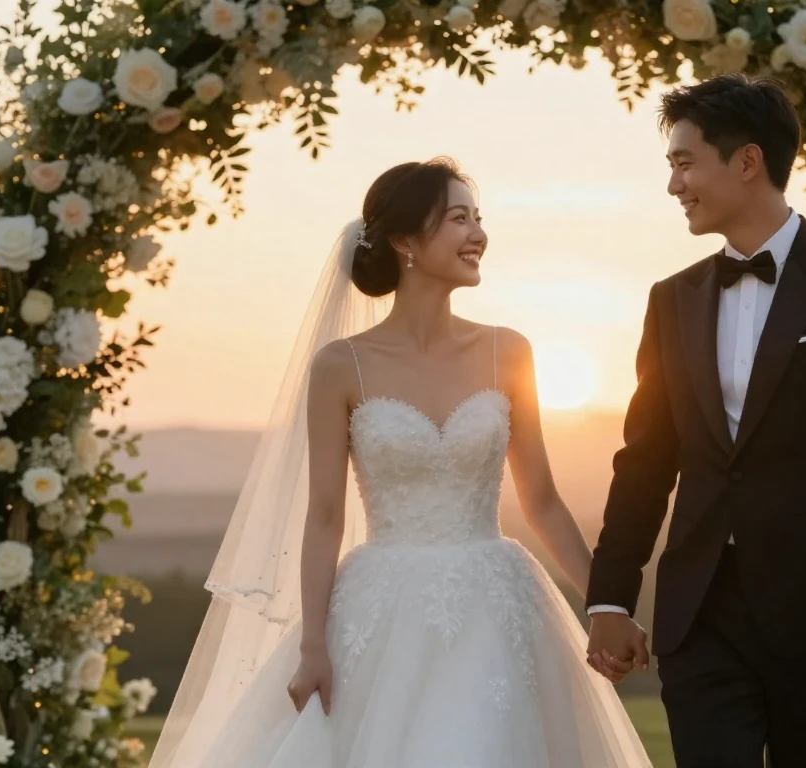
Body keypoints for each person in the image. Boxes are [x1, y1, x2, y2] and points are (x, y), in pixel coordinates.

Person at [150, 158, 652, 767]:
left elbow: (541, 501)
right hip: (379, 611)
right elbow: (325, 517)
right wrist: (314, 644)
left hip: (498, 605)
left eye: (479, 217)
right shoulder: (341, 366)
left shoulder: (509, 350)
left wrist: (605, 606)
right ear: (406, 242)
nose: (478, 234)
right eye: (458, 219)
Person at [584, 74, 806, 768]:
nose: (674, 184)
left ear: (746, 161)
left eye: (684, 163)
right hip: (699, 619)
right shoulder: (670, 300)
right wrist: (610, 599)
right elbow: (646, 462)